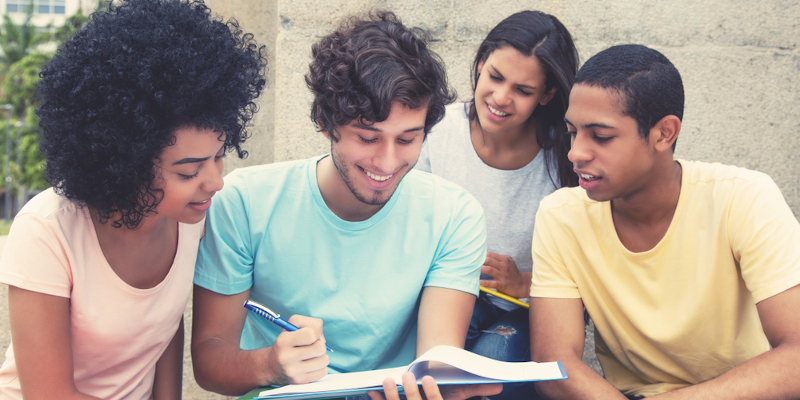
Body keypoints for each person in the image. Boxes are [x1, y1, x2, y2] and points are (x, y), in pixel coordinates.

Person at [190, 11, 500, 400]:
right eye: (368, 138)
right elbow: (208, 362)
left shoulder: (454, 216)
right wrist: (269, 364)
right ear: (324, 120)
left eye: (407, 139)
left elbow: (435, 362)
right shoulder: (245, 200)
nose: (387, 163)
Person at [0, 0, 267, 398]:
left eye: (219, 156)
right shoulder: (46, 230)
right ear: (124, 161)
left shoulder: (189, 220)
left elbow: (161, 328)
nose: (215, 182)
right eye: (188, 171)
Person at [529, 44, 800, 399]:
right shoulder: (561, 216)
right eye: (572, 131)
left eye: (601, 136)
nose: (575, 153)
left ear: (664, 133)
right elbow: (553, 364)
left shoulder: (743, 197)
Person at [415, 10, 578, 399]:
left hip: (515, 312)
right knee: (430, 376)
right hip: (437, 297)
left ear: (547, 95)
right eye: (495, 77)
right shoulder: (435, 130)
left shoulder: (566, 158)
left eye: (523, 90)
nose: (501, 98)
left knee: (484, 377)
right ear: (480, 64)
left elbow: (592, 271)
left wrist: (524, 283)